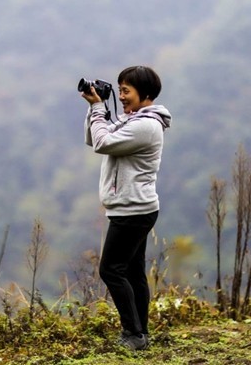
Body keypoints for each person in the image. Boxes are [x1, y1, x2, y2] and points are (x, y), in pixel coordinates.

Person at [81, 65, 171, 351]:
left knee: (111, 270)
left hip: (133, 210)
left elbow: (103, 142)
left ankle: (133, 333)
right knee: (132, 273)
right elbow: (94, 137)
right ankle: (140, 332)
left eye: (126, 91)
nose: (121, 96)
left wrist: (99, 109)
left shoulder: (145, 125)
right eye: (119, 90)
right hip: (132, 207)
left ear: (145, 93)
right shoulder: (133, 120)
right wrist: (98, 107)